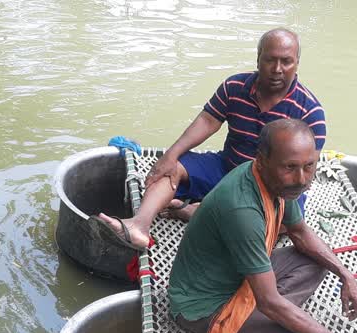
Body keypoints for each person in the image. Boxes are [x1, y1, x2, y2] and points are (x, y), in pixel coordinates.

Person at [168, 119, 357, 333]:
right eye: (290, 168)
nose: (301, 179)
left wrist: (345, 275)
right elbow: (269, 301)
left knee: (317, 259)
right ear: (261, 161)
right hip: (201, 304)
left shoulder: (276, 184)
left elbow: (299, 232)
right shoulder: (242, 210)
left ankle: (263, 321)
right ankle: (260, 327)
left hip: (238, 276)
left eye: (309, 167)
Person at [98, 27, 326, 249]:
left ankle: (192, 211)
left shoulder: (310, 112)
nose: (277, 69)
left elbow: (303, 175)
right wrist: (171, 155)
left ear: (296, 63)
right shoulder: (235, 86)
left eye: (286, 61)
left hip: (273, 186)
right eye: (270, 60)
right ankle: (140, 225)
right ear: (258, 60)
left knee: (283, 223)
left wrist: (261, 199)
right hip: (228, 167)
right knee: (171, 168)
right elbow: (207, 121)